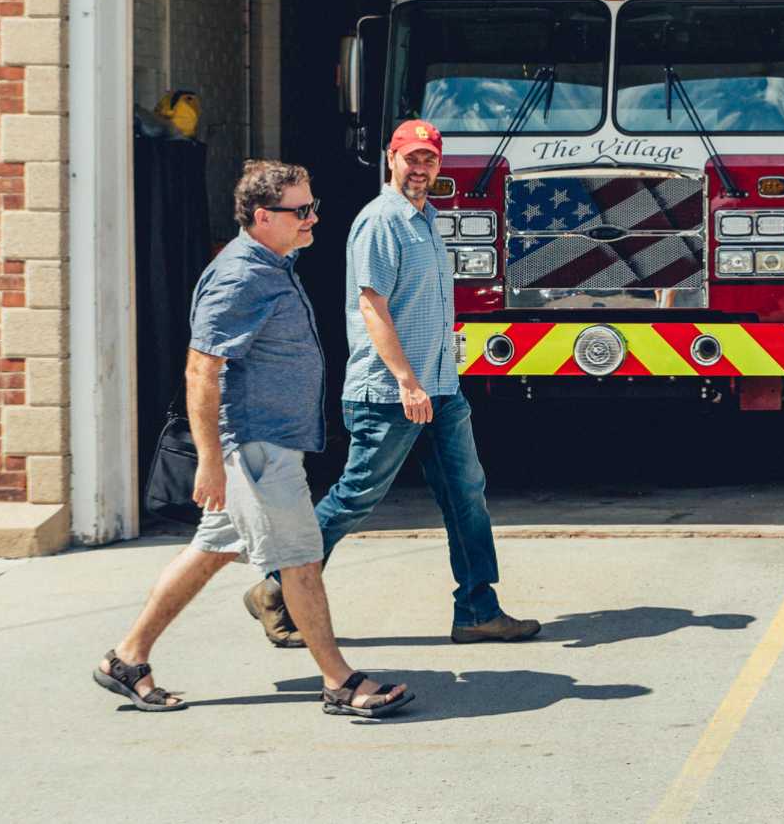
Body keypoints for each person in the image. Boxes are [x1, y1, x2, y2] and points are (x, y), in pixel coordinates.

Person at [96, 160, 414, 718]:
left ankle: (126, 657)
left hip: (264, 445)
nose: (314, 217)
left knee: (210, 550)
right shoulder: (241, 275)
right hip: (255, 449)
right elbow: (202, 369)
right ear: (264, 217)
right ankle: (340, 682)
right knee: (300, 560)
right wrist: (212, 462)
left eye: (313, 206)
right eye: (302, 210)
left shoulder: (274, 262)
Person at [245, 121, 540, 646]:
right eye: (412, 158)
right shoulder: (380, 221)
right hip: (391, 393)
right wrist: (407, 382)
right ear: (391, 158)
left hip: (441, 388)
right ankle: (275, 586)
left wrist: (433, 378)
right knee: (356, 496)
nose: (421, 168)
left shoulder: (427, 220)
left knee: (467, 494)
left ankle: (477, 610)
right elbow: (371, 305)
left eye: (430, 159)